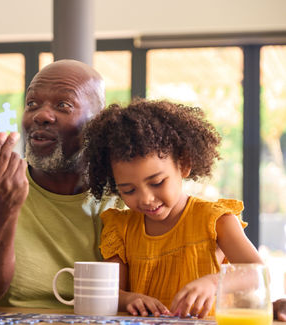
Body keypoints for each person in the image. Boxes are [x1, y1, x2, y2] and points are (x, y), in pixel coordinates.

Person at [0, 59, 122, 308]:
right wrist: (0, 206)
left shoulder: (127, 195)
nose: (41, 115)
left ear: (98, 121)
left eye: (63, 105)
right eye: (32, 104)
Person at [82, 99, 263, 318]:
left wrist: (214, 282)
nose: (146, 199)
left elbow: (257, 274)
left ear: (184, 164)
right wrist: (130, 299)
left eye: (157, 183)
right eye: (128, 190)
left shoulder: (215, 220)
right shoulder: (120, 228)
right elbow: (112, 292)